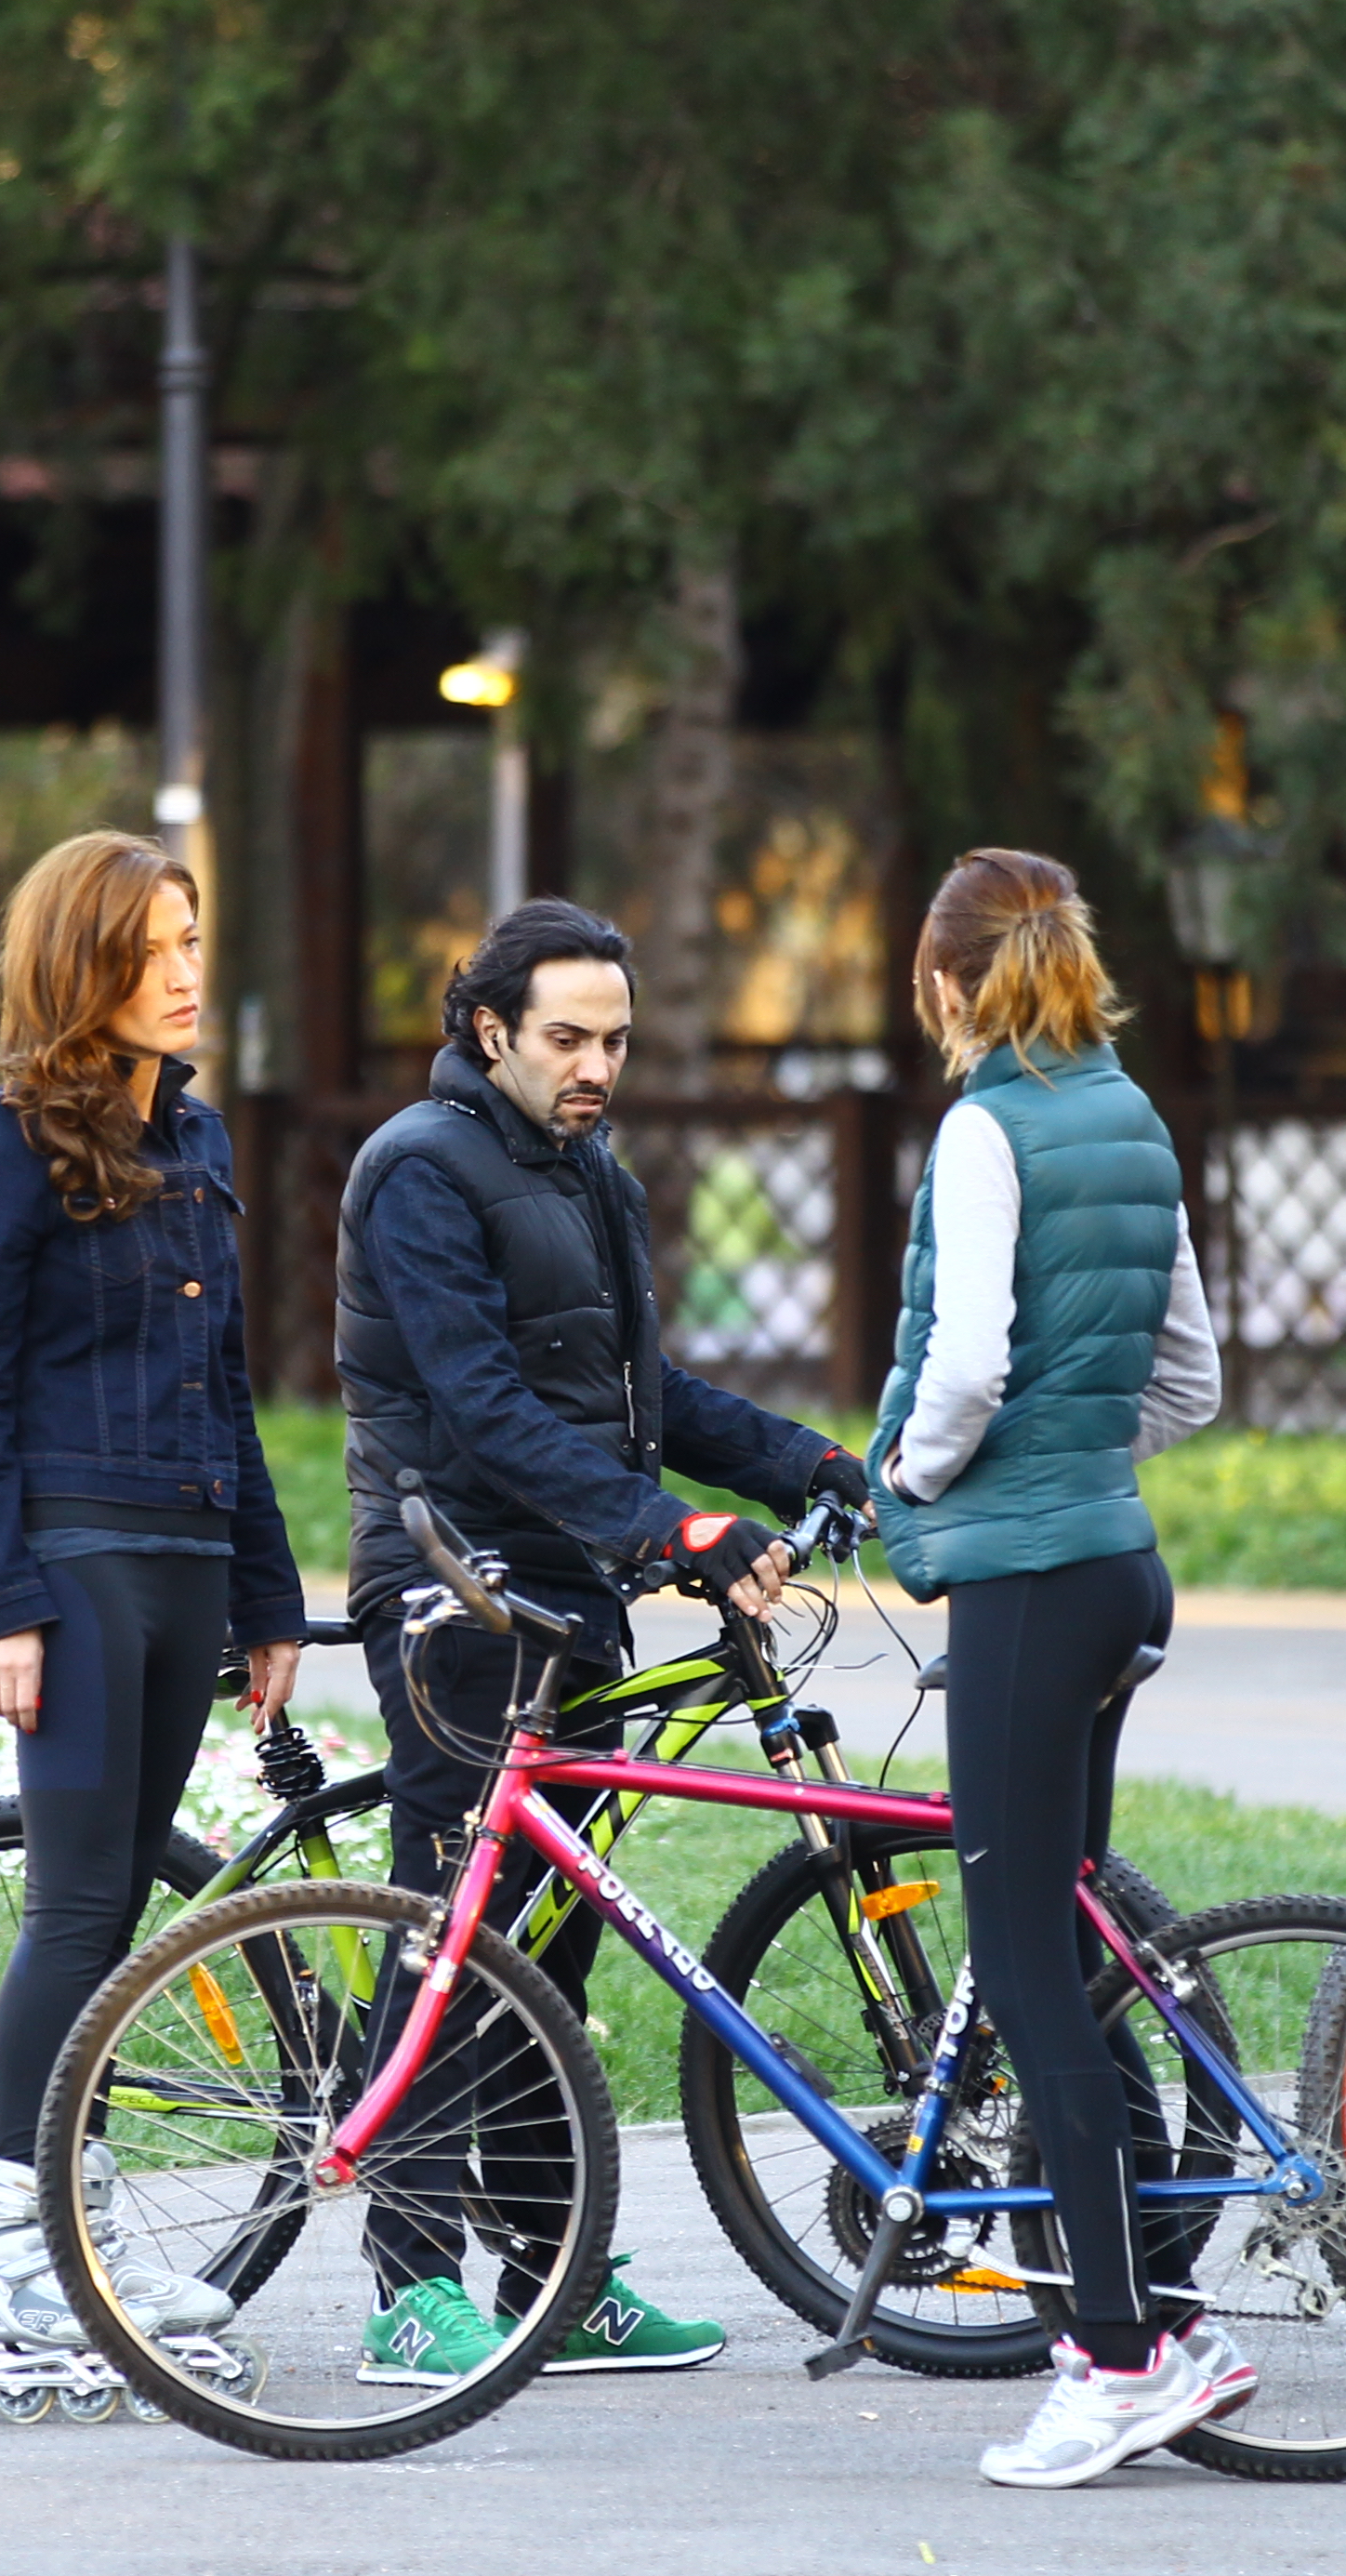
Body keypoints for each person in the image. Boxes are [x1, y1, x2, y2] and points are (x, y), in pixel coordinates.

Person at [334, 896, 868, 2386]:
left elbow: (645, 1397)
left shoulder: (587, 1175)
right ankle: (408, 2284)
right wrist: (674, 1531)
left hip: (573, 1589)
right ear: (489, 1027)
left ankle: (550, 2275)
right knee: (454, 1937)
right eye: (567, 1038)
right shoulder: (418, 1171)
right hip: (457, 1584)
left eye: (616, 1041)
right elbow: (480, 1409)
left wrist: (802, 1464)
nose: (596, 1065)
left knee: (547, 1946)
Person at [861, 851, 1236, 2489]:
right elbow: (1194, 1377)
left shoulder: (984, 1127)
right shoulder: (1135, 1117)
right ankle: (1164, 2304)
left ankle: (1118, 2356)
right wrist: (1082, 1462)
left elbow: (960, 1370)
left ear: (948, 983)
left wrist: (911, 1487)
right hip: (1115, 1561)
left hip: (1020, 1583)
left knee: (1020, 1966)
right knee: (1073, 1948)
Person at [0, 830, 305, 2387]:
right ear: (84, 964)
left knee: (125, 1908)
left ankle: (66, 2218)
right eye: (155, 946)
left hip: (188, 1560)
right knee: (77, 1905)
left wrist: (271, 1595)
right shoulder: (12, 1141)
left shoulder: (200, 1140)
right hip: (73, 1568)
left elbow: (228, 1388)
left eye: (197, 938)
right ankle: (1, 2246)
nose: (187, 969)